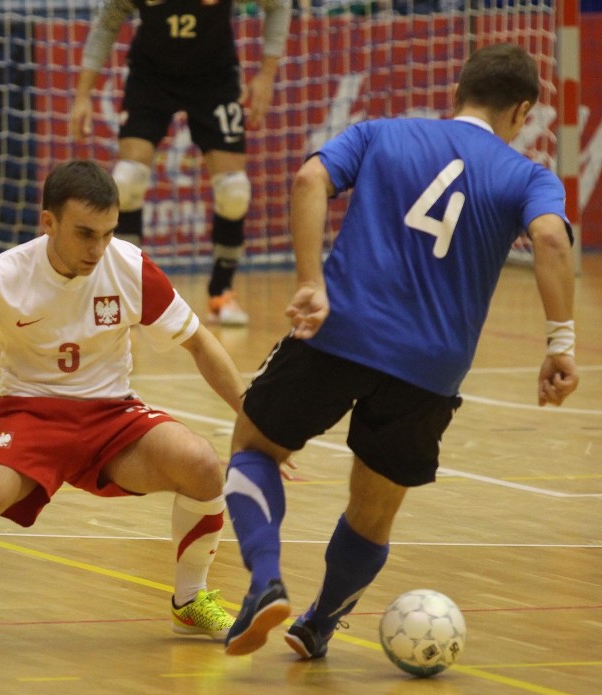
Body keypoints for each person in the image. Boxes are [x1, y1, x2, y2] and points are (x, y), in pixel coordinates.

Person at [221, 43, 580, 657]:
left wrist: (311, 280)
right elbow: (550, 238)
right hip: (432, 368)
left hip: (342, 331)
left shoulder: (381, 133)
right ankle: (319, 623)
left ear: (457, 93)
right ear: (522, 111)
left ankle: (264, 579)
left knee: (254, 446)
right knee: (374, 505)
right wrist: (561, 342)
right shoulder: (528, 176)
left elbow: (310, 177)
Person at [0, 159, 248, 657]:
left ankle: (189, 599)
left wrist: (251, 418)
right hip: (29, 415)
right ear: (48, 222)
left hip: (111, 416)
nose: (97, 249)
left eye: (107, 233)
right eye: (84, 234)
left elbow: (201, 344)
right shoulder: (0, 277)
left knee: (204, 465)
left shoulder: (131, 267)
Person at [70, 0, 291, 326]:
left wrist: (266, 75)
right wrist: (82, 95)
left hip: (214, 80)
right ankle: (129, 290)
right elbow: (106, 24)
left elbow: (279, 5)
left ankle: (221, 292)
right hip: (150, 78)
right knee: (127, 181)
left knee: (234, 191)